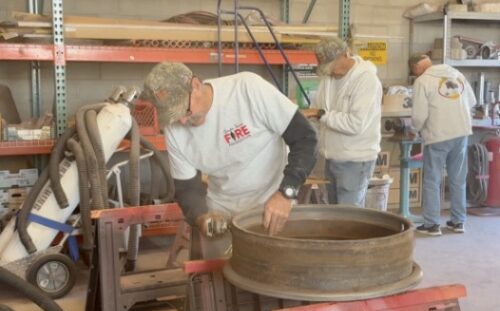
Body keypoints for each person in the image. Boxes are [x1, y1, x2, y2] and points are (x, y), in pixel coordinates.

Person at [142, 62, 318, 257]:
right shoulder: (175, 132)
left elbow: (305, 138)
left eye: (186, 110)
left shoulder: (247, 90)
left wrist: (286, 193)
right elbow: (187, 188)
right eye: (175, 117)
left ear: (196, 85)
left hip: (273, 207)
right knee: (222, 278)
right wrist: (202, 217)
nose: (182, 121)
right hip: (223, 213)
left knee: (276, 272)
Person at [303, 36, 382, 207]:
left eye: (332, 66)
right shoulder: (328, 78)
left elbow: (355, 123)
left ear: (345, 55)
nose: (330, 71)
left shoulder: (366, 80)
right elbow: (317, 111)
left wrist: (320, 114)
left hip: (355, 160)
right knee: (334, 214)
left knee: (349, 217)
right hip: (331, 157)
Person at [408, 53, 476, 236]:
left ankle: (431, 225)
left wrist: (414, 129)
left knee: (432, 180)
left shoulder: (422, 81)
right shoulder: (456, 73)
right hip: (461, 133)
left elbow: (419, 115)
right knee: (458, 179)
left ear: (416, 68)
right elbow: (472, 101)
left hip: (438, 136)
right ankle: (458, 221)